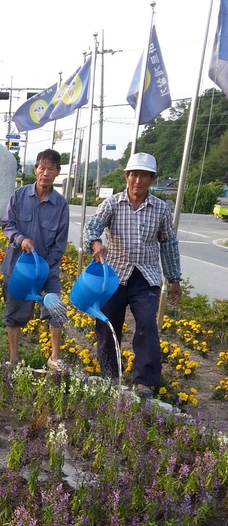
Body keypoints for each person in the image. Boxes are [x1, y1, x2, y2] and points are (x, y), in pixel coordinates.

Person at [84, 151, 182, 398]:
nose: (138, 180)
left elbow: (169, 244)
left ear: (152, 179)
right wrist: (95, 244)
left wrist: (174, 279)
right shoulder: (112, 203)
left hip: (145, 277)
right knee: (107, 325)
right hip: (114, 275)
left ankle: (145, 381)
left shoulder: (160, 209)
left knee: (148, 323)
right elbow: (92, 228)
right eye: (134, 175)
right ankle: (109, 375)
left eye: (144, 176)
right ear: (127, 176)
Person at [1, 149, 69, 369]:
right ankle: (13, 360)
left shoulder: (61, 205)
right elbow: (7, 225)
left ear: (58, 172)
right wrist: (20, 239)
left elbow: (60, 243)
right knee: (13, 313)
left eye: (51, 168)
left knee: (55, 309)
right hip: (17, 266)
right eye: (42, 167)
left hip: (47, 269)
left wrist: (44, 267)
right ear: (35, 169)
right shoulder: (19, 196)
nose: (45, 173)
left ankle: (55, 359)